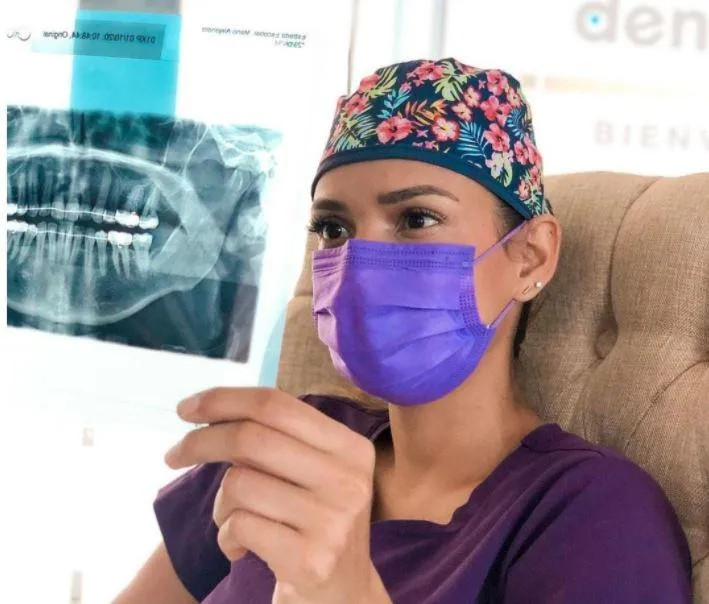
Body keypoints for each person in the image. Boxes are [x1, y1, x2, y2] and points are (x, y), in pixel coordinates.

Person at [115, 58, 692, 603]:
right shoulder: (290, 447)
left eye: (417, 218)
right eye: (334, 229)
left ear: (530, 257)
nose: (359, 266)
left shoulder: (592, 513)